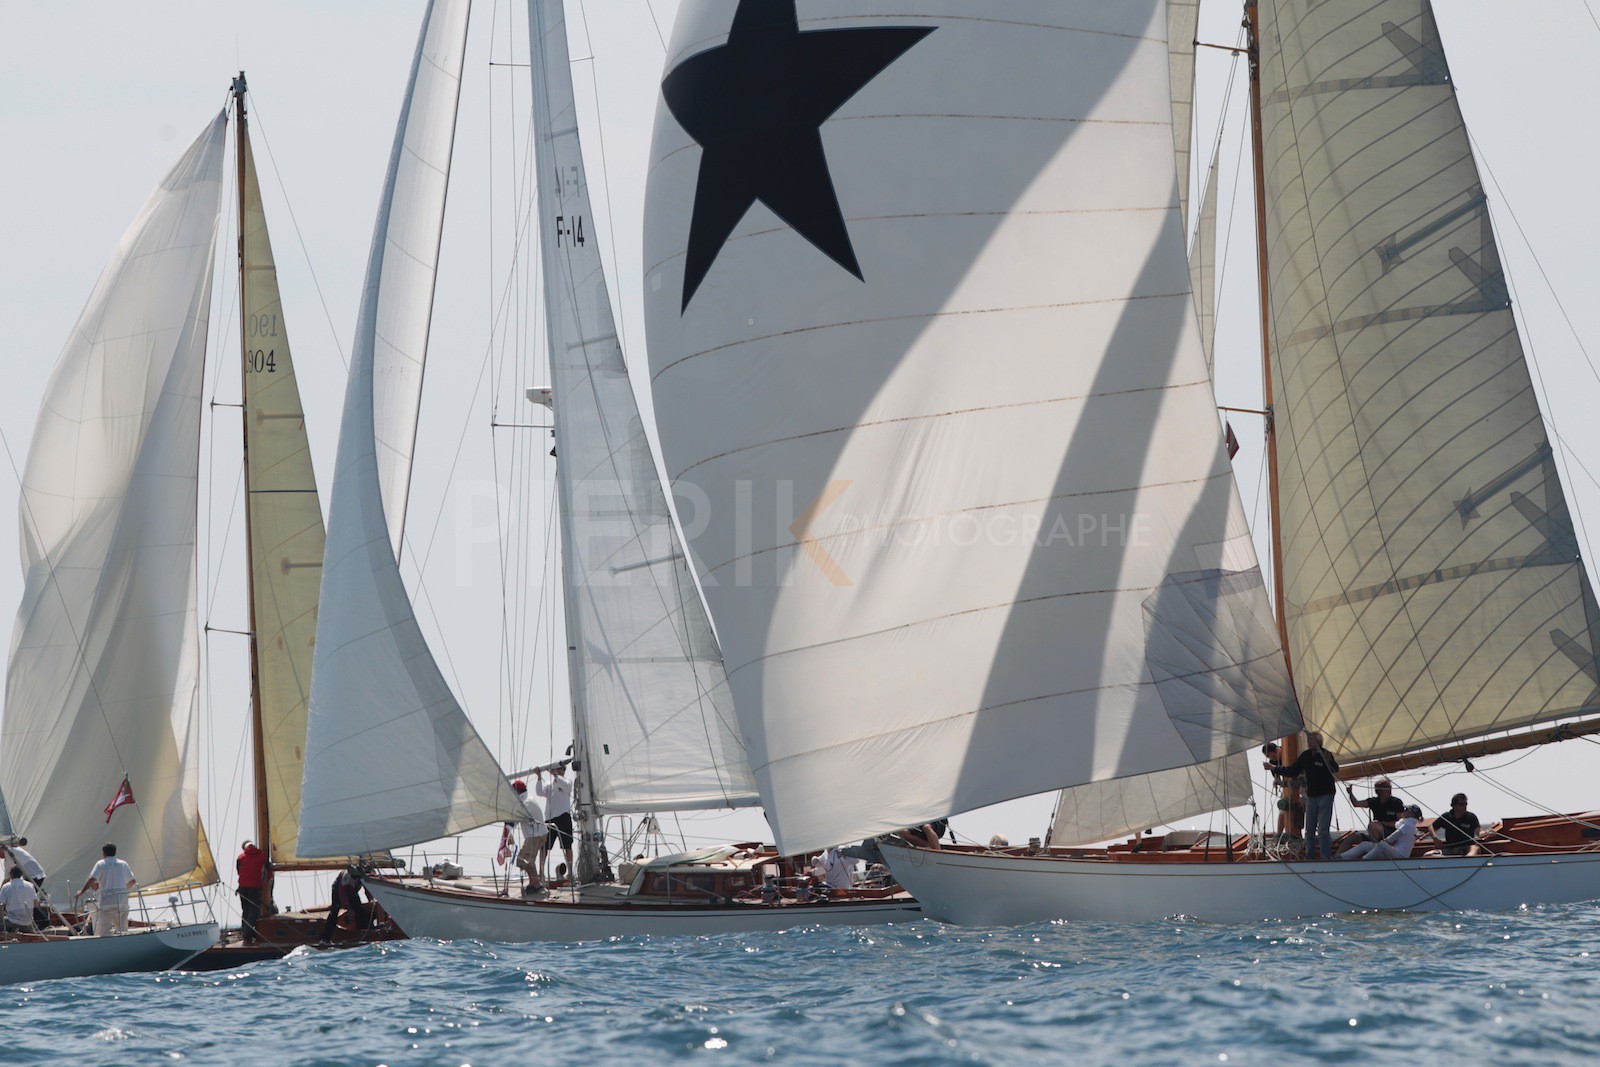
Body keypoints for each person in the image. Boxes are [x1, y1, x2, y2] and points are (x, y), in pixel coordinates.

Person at [1268, 731, 1340, 860]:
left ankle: (1326, 856)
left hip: (1325, 795)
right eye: (1309, 740)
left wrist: (1329, 761)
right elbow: (1293, 770)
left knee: (1323, 829)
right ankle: (1309, 857)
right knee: (1309, 829)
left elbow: (1335, 769)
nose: (1309, 742)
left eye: (1312, 740)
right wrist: (1274, 768)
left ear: (1319, 742)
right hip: (1312, 796)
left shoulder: (1326, 754)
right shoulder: (1305, 756)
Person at [78, 843, 137, 936]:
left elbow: (92, 879)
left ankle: (102, 942)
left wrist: (81, 892)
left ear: (103, 853)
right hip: (122, 899)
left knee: (103, 928)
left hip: (108, 900)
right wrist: (123, 890)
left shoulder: (101, 864)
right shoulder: (123, 864)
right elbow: (132, 881)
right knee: (122, 929)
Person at [535, 764, 575, 881]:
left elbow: (567, 787)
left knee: (567, 846)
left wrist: (556, 775)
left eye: (560, 769)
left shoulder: (567, 781)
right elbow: (540, 792)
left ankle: (570, 872)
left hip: (563, 817)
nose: (558, 771)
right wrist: (539, 777)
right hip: (550, 819)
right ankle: (541, 873)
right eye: (557, 769)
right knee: (544, 847)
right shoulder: (549, 784)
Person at [1340, 805, 1422, 860]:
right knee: (1365, 844)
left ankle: (1365, 860)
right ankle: (1341, 857)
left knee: (1382, 845)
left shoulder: (1408, 825)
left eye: (1406, 810)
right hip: (1394, 852)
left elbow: (1392, 838)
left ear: (1410, 814)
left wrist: (1383, 841)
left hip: (1400, 855)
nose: (1403, 811)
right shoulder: (1409, 825)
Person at [318, 866, 373, 946]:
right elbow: (342, 893)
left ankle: (362, 934)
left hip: (352, 892)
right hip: (338, 891)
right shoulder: (346, 877)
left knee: (360, 911)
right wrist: (348, 908)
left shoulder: (363, 876)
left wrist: (370, 900)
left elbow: (367, 890)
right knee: (334, 913)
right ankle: (325, 939)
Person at [510, 779, 547, 893]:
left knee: (528, 861)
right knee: (521, 860)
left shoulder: (527, 802)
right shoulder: (525, 799)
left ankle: (536, 884)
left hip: (536, 835)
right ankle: (533, 882)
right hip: (532, 835)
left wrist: (508, 829)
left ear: (517, 791)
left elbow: (517, 817)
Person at [235, 840, 271, 945]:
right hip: (255, 887)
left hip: (242, 888)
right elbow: (269, 871)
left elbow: (239, 872)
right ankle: (247, 935)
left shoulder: (240, 857)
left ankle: (246, 936)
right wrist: (265, 882)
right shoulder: (262, 857)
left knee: (245, 911)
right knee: (254, 911)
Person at [0, 867, 38, 933]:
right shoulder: (30, 885)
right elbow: (36, 904)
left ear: (10, 875)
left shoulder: (6, 886)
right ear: (21, 874)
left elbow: (1, 905)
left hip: (12, 921)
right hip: (28, 921)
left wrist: (1, 919)